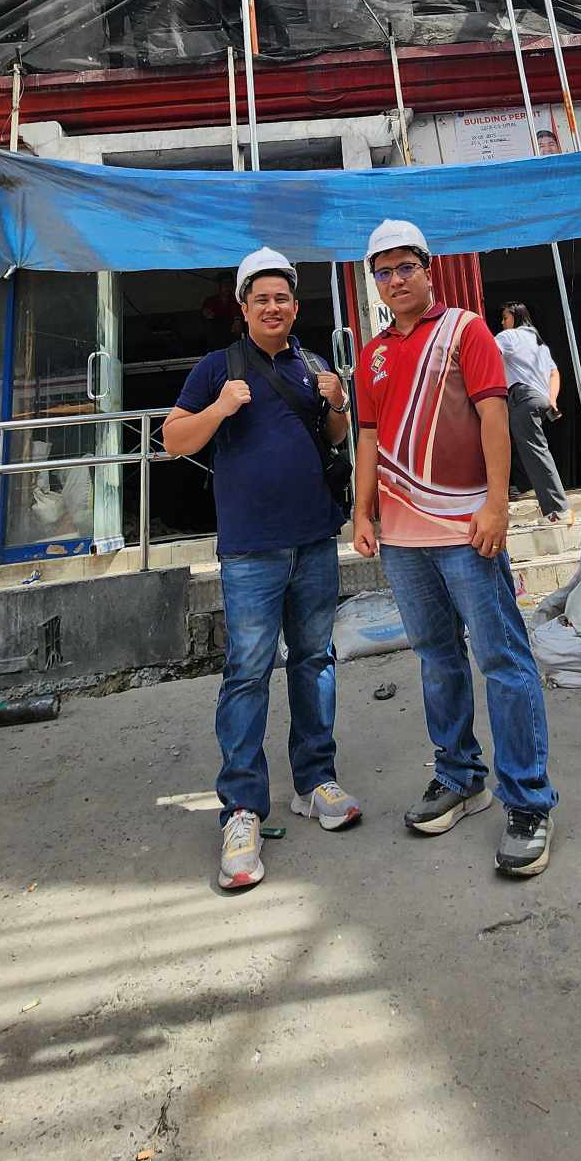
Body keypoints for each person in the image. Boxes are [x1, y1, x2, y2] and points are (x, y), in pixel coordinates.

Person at [352, 220, 557, 879]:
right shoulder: (372, 352)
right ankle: (460, 777)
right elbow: (367, 436)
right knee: (437, 660)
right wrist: (361, 512)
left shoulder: (465, 330)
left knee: (502, 660)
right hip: (402, 539)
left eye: (405, 266)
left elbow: (494, 415)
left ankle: (528, 801)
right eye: (383, 271)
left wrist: (497, 504)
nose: (395, 280)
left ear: (428, 268)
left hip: (466, 530)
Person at [163, 246, 360, 893]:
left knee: (315, 661)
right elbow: (173, 439)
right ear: (244, 308)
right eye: (261, 299)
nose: (273, 308)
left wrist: (338, 403)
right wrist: (220, 408)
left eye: (282, 298)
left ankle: (316, 781)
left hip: (314, 541)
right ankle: (242, 809)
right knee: (247, 673)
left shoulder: (313, 365)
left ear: (295, 307)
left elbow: (333, 439)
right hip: (250, 551)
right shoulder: (217, 368)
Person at [495, 302, 569, 523]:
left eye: (505, 317)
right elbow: (554, 373)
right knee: (531, 450)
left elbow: (486, 353)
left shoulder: (509, 337)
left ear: (516, 317)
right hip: (539, 398)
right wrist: (552, 400)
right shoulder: (540, 344)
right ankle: (531, 491)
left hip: (522, 397)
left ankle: (558, 510)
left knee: (536, 454)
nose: (502, 322)